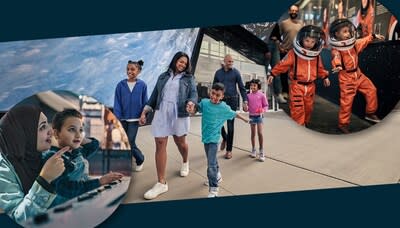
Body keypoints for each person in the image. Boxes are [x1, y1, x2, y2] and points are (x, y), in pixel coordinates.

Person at [139, 51, 197, 200]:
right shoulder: (163, 76)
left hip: (179, 113)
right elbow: (153, 97)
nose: (182, 64)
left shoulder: (189, 78)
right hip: (161, 112)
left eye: (185, 63)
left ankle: (185, 161)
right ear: (175, 61)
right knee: (160, 143)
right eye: (180, 61)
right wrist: (145, 112)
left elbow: (193, 94)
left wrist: (191, 103)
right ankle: (161, 183)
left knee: (181, 142)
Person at [0, 105, 67, 223]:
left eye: (47, 124)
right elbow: (18, 219)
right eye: (42, 127)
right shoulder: (3, 168)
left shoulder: (37, 157)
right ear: (22, 133)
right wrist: (44, 180)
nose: (50, 131)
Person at [43, 109, 123, 206]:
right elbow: (68, 189)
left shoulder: (76, 152)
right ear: (56, 134)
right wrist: (100, 181)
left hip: (78, 201)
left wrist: (79, 138)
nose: (78, 134)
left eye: (81, 130)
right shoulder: (53, 158)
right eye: (71, 129)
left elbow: (94, 145)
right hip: (62, 209)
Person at [189, 83, 249, 197]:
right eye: (213, 93)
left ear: (222, 96)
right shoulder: (205, 103)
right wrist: (191, 108)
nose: (214, 97)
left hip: (214, 139)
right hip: (206, 137)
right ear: (210, 92)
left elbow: (234, 114)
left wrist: (245, 119)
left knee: (210, 164)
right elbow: (196, 109)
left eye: (218, 95)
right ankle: (218, 176)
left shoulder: (223, 107)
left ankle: (214, 188)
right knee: (212, 160)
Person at [329, 19, 384, 133]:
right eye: (344, 32)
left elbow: (363, 40)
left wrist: (373, 36)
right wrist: (338, 65)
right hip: (346, 79)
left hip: (358, 75)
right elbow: (336, 57)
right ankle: (343, 124)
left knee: (371, 90)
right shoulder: (337, 50)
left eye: (349, 31)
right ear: (336, 34)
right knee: (347, 102)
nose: (348, 34)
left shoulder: (354, 45)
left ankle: (370, 113)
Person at [268, 25, 331, 126]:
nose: (309, 44)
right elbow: (283, 65)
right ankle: (300, 127)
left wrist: (325, 76)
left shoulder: (316, 56)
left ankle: (304, 124)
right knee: (297, 110)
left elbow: (320, 69)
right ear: (301, 39)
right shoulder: (294, 53)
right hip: (297, 86)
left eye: (312, 42)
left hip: (310, 87)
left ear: (317, 43)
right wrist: (273, 73)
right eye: (307, 40)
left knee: (308, 109)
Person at [114, 60, 148, 172]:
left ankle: (140, 159)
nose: (129, 71)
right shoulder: (120, 85)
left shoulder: (142, 85)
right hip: (123, 118)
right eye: (128, 69)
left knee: (130, 142)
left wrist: (143, 115)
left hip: (135, 119)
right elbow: (117, 102)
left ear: (138, 71)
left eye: (132, 69)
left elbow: (145, 102)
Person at [212, 54, 248, 159]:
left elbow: (241, 88)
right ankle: (225, 137)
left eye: (232, 62)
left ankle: (229, 150)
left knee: (230, 126)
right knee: (218, 123)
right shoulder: (218, 73)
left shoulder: (236, 72)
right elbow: (214, 88)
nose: (231, 63)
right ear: (224, 62)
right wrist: (213, 99)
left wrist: (245, 101)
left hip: (232, 100)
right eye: (229, 62)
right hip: (221, 101)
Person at [278, 4, 305, 98]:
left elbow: (303, 37)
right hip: (285, 51)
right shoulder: (284, 23)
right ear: (289, 11)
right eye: (292, 10)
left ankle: (295, 91)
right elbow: (277, 37)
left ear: (298, 12)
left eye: (296, 11)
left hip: (297, 52)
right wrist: (280, 47)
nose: (294, 12)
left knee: (297, 73)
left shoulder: (301, 24)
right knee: (284, 73)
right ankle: (285, 91)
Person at [246, 79, 268, 161]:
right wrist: (245, 108)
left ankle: (261, 151)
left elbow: (266, 105)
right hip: (251, 116)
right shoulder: (248, 95)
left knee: (260, 133)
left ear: (258, 86)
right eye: (251, 85)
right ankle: (253, 150)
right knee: (253, 134)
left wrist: (263, 110)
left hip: (259, 116)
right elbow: (246, 107)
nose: (252, 87)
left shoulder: (262, 95)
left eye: (254, 85)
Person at [267, 23, 287, 103]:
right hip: (267, 44)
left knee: (277, 70)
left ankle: (278, 94)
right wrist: (266, 50)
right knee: (264, 71)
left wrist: (279, 44)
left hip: (275, 44)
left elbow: (277, 33)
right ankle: (265, 94)